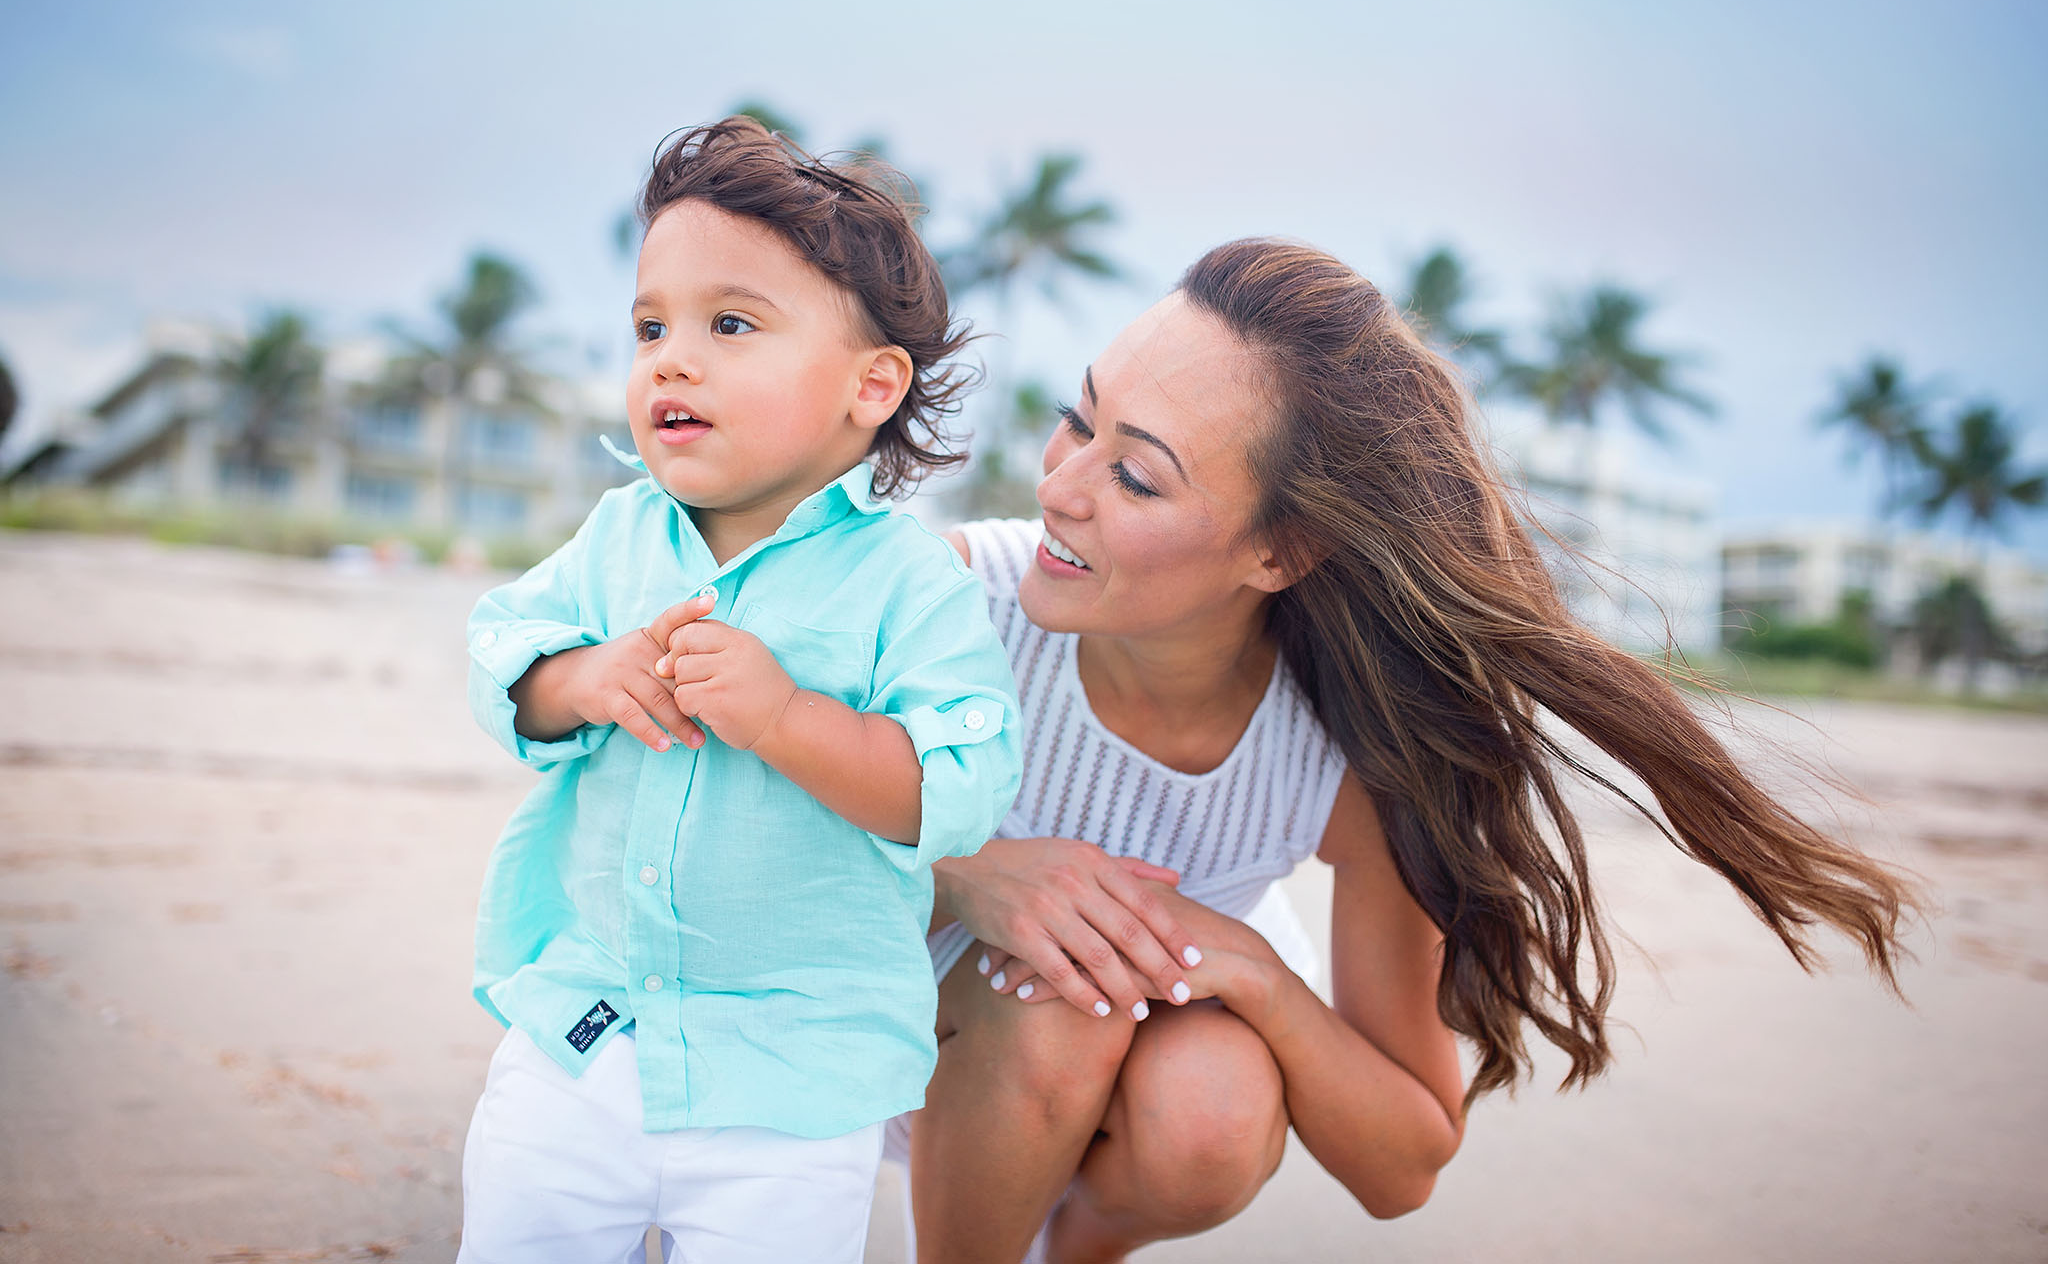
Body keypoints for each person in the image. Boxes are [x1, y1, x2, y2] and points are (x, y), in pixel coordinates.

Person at [899, 238, 1916, 1264]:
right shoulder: (935, 600)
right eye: (1079, 416)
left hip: (1116, 1074)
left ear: (1280, 550)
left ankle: (1075, 1249)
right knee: (1063, 994)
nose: (1061, 485)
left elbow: (1405, 1164)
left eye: (1133, 475)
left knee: (1213, 1104)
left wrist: (1259, 973)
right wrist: (973, 874)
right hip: (888, 1028)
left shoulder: (1334, 752)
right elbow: (778, 826)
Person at [457, 118, 1023, 1262]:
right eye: (649, 326)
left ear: (870, 384)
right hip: (584, 1033)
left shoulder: (908, 580)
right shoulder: (618, 535)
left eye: (729, 324)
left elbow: (960, 787)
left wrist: (785, 718)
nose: (670, 359)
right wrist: (585, 675)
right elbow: (499, 653)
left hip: (795, 1079)